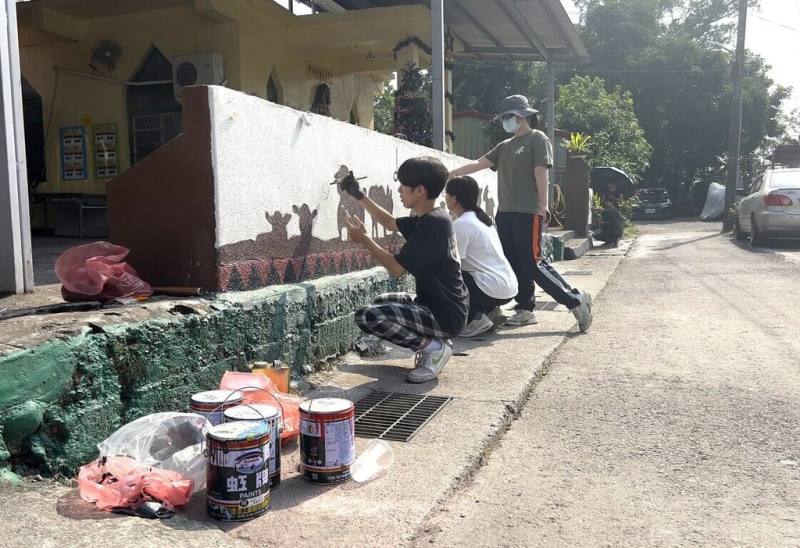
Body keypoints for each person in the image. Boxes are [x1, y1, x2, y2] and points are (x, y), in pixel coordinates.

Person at [449, 94, 593, 332]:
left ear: (521, 116)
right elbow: (477, 164)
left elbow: (540, 173)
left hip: (528, 211)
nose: (505, 121)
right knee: (513, 261)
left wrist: (543, 204)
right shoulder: (504, 146)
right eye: (503, 118)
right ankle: (525, 308)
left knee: (532, 264)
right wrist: (448, 174)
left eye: (508, 117)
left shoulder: (537, 139)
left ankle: (576, 301)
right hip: (505, 213)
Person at [342, 157, 468, 383]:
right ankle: (436, 341)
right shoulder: (430, 217)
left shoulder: (433, 225)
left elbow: (396, 269)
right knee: (382, 301)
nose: (399, 190)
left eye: (403, 185)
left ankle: (433, 348)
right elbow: (390, 222)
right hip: (439, 305)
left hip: (444, 314)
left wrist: (364, 240)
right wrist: (358, 195)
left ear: (419, 190)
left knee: (368, 316)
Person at [444, 176, 517, 338]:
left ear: (454, 199)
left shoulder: (461, 225)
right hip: (508, 288)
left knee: (444, 275)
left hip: (492, 290)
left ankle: (474, 319)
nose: (445, 198)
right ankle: (491, 312)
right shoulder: (483, 220)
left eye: (446, 194)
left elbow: (455, 266)